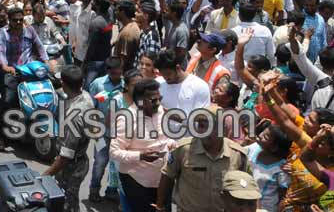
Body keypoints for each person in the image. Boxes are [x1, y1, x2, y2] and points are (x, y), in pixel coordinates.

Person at [156, 109, 251, 211]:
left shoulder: (237, 155)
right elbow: (167, 177)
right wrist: (160, 206)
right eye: (201, 126)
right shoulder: (183, 149)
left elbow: (248, 188)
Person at [110, 79, 174, 212]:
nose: (158, 103)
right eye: (153, 100)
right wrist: (140, 156)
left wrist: (171, 144)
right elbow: (114, 152)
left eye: (159, 98)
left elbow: (165, 138)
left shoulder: (160, 110)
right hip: (137, 182)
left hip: (163, 179)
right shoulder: (127, 119)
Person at [41, 65, 94, 212]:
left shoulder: (73, 118)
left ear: (64, 84)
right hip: (80, 160)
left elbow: (65, 156)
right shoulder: (86, 97)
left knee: (67, 203)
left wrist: (46, 174)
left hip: (71, 168)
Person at [88, 57, 124, 203]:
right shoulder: (98, 84)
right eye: (114, 73)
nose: (118, 75)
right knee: (99, 163)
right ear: (108, 72)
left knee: (116, 165)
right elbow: (92, 108)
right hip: (102, 134)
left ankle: (112, 190)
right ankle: (94, 190)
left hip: (120, 135)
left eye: (119, 72)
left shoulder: (126, 84)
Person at [155, 49, 210, 131]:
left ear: (177, 68)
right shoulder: (157, 84)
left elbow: (199, 124)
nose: (166, 78)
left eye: (168, 74)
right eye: (163, 74)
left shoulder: (199, 86)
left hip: (187, 140)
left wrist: (167, 113)